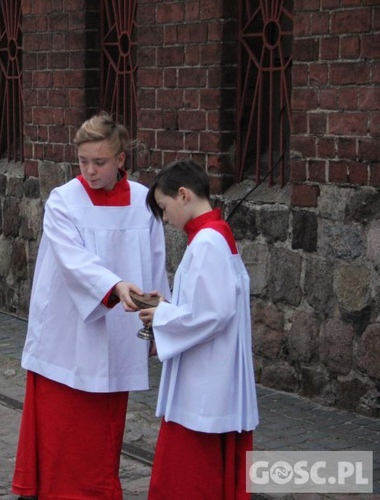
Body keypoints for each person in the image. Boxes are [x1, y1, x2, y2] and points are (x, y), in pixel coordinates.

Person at [11, 112, 171, 499]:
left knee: (104, 428)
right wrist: (114, 286)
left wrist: (159, 320)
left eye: (99, 162)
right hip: (68, 334)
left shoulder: (142, 202)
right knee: (62, 428)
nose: (90, 171)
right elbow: (73, 260)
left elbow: (155, 261)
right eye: (83, 162)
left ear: (120, 159)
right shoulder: (64, 200)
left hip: (120, 330)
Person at [140, 159, 259, 499]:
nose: (164, 219)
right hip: (210, 372)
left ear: (183, 195)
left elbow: (214, 313)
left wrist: (161, 315)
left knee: (190, 478)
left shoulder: (207, 241)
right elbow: (208, 302)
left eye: (164, 208)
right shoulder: (213, 234)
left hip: (205, 381)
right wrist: (169, 304)